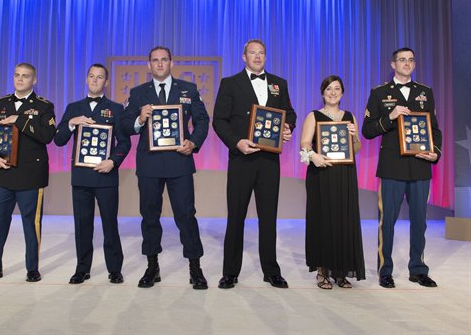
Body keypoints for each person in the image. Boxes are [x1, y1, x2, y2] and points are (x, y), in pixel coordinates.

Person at [120, 46, 209, 290]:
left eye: (164, 60)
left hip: (180, 162)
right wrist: (139, 118)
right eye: (155, 60)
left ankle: (195, 267)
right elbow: (125, 124)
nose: (159, 64)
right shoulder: (138, 93)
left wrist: (193, 142)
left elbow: (202, 120)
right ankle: (152, 266)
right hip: (149, 164)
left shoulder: (188, 90)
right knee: (149, 216)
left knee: (186, 216)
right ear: (148, 65)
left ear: (171, 63)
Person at [213, 39, 296, 289]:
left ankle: (271, 271)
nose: (258, 57)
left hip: (270, 160)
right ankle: (230, 272)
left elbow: (289, 113)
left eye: (261, 53)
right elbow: (219, 120)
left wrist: (288, 126)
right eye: (253, 53)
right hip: (241, 159)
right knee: (236, 216)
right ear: (243, 56)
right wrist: (236, 142)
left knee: (268, 217)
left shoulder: (279, 83)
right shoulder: (229, 83)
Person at [362, 47, 442, 288]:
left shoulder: (425, 92)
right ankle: (385, 271)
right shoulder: (380, 93)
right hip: (392, 167)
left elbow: (434, 128)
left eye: (410, 60)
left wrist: (434, 153)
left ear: (414, 65)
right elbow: (367, 130)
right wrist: (391, 117)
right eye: (402, 60)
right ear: (392, 64)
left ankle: (418, 269)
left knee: (420, 221)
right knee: (387, 222)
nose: (406, 63)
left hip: (420, 166)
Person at [0, 63, 56, 283]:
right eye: (17, 75)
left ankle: (32, 268)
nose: (20, 79)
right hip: (2, 174)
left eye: (25, 76)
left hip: (30, 175)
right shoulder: (2, 103)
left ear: (34, 80)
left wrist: (20, 120)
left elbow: (48, 135)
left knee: (31, 224)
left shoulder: (43, 106)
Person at [54, 63, 131, 284]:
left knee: (109, 223)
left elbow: (124, 143)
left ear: (106, 82)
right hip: (81, 177)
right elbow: (58, 140)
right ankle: (82, 269)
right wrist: (70, 123)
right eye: (91, 76)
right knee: (82, 224)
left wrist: (113, 161)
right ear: (86, 79)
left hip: (106, 176)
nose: (95, 80)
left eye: (99, 77)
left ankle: (114, 269)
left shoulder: (116, 109)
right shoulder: (73, 107)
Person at [300, 75, 365, 289]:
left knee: (344, 220)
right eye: (329, 88)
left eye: (337, 88)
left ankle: (341, 271)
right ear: (322, 92)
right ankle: (322, 271)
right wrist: (313, 157)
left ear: (343, 93)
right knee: (323, 220)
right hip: (321, 174)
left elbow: (356, 150)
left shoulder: (350, 117)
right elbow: (304, 145)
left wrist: (355, 138)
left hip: (345, 174)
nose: (333, 92)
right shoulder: (314, 116)